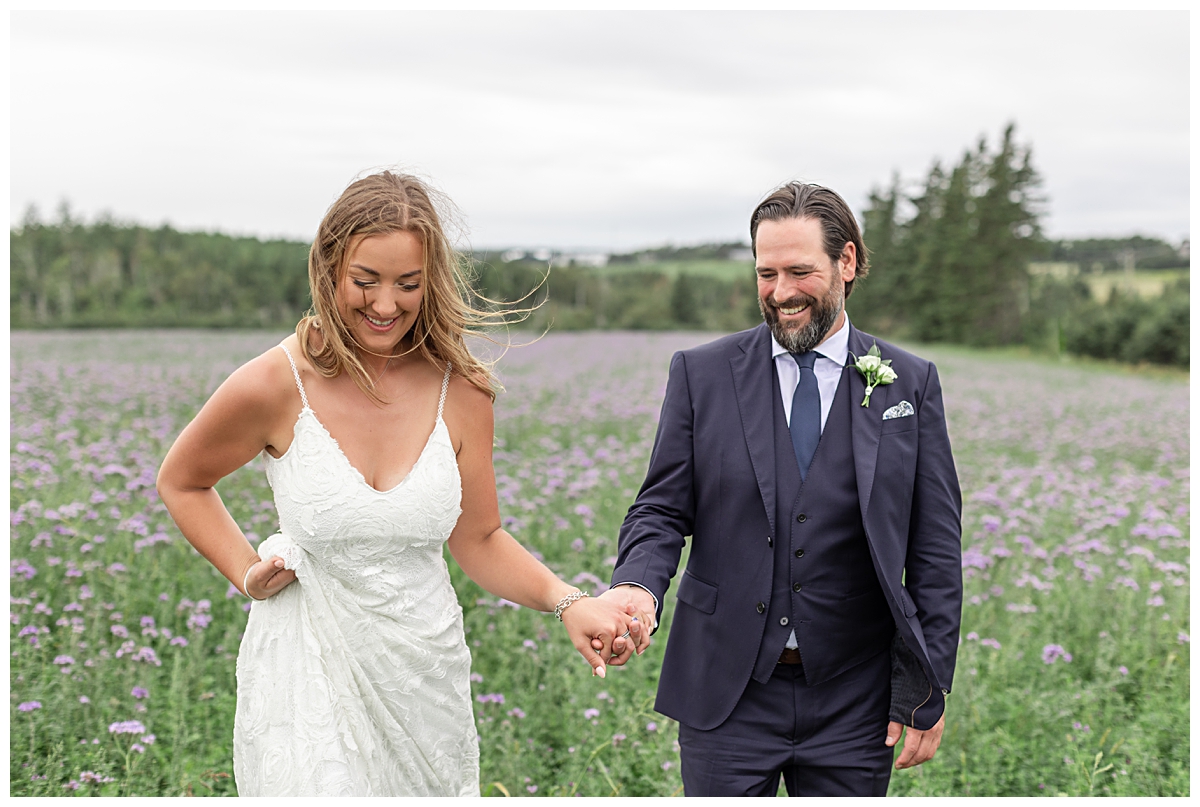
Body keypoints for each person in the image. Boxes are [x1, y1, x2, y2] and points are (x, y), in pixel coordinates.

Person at [156, 171, 638, 796]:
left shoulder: (462, 389)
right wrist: (243, 570)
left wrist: (570, 601)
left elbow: (481, 538)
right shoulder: (273, 384)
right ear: (329, 269)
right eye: (365, 281)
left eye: (408, 284)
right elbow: (182, 481)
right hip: (308, 665)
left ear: (429, 282)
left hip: (421, 673)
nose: (386, 304)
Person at [598, 181, 963, 796]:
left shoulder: (910, 382)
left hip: (858, 700)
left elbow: (934, 548)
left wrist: (928, 685)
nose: (781, 292)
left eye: (800, 271)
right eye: (765, 273)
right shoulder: (701, 373)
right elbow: (660, 508)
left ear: (847, 262)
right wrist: (637, 586)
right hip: (727, 693)